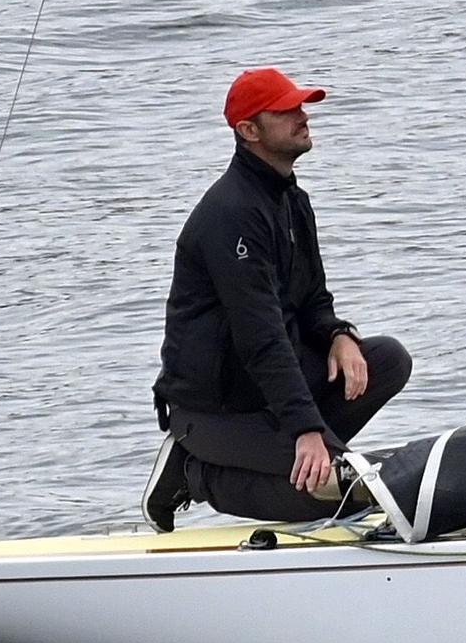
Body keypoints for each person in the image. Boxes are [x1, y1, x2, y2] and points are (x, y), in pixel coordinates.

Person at [144, 67, 412, 532]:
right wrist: (306, 428)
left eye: (301, 106)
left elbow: (312, 299)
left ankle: (302, 454)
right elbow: (260, 337)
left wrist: (338, 334)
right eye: (286, 111)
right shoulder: (231, 215)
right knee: (346, 496)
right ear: (248, 131)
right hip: (219, 407)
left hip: (266, 387)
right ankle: (194, 471)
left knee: (387, 359)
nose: (302, 116)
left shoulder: (292, 201)